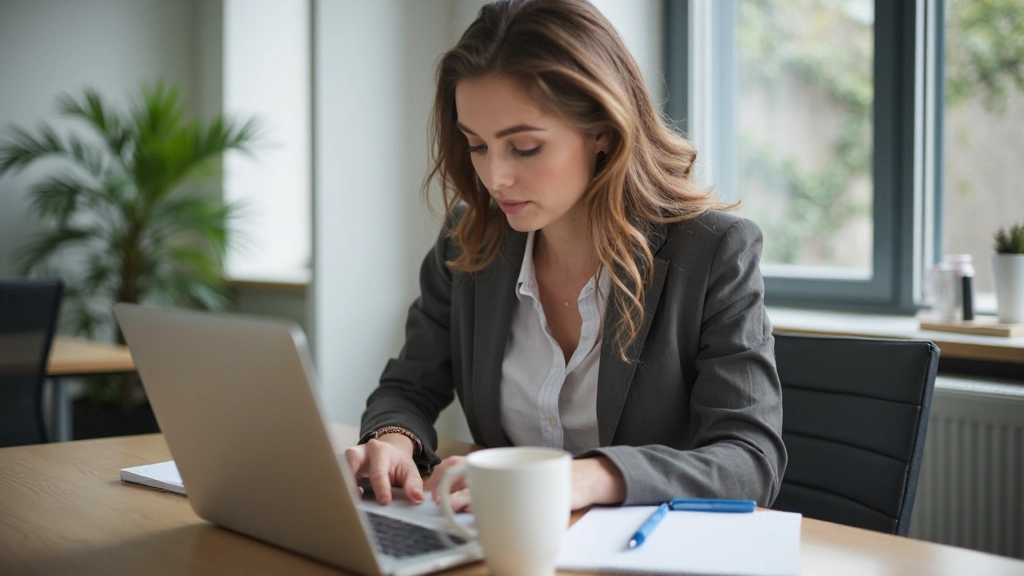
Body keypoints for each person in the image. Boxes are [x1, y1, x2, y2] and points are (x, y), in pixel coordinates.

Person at [344, 0, 786, 512]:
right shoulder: (466, 241)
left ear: (602, 129)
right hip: (507, 542)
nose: (495, 178)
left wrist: (584, 479)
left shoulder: (713, 252)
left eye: (525, 147)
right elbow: (409, 385)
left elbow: (750, 460)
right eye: (477, 145)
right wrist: (395, 439)